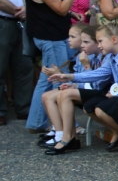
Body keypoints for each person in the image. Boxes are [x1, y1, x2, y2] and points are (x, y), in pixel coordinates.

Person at [48, 23, 118, 154]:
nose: (99, 45)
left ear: (114, 40)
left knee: (102, 108)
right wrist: (70, 76)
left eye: (100, 41)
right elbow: (98, 73)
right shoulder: (111, 57)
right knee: (95, 107)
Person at [24, 0, 81, 133]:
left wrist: (70, 12)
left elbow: (52, 8)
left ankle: (37, 122)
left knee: (46, 79)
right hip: (50, 36)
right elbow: (61, 9)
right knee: (58, 79)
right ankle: (65, 125)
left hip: (53, 34)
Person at [41, 25, 106, 153]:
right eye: (81, 41)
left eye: (85, 42)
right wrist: (70, 83)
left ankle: (66, 137)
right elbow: (81, 80)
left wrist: (85, 67)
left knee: (64, 95)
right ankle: (62, 133)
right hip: (88, 89)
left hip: (100, 92)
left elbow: (96, 83)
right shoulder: (83, 56)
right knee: (47, 95)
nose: (82, 44)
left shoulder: (97, 57)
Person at [37, 23, 89, 147]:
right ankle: (57, 129)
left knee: (52, 97)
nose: (68, 40)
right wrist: (60, 75)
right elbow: (77, 79)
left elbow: (91, 80)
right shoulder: (78, 56)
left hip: (88, 90)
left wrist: (66, 79)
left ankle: (62, 135)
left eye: (72, 37)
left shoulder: (89, 55)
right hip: (79, 88)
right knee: (46, 95)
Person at [0, 0, 32, 126]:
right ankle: (1, 110)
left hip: (18, 23)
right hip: (4, 22)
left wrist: (25, 8)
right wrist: (15, 10)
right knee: (0, 67)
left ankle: (24, 107)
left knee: (24, 65)